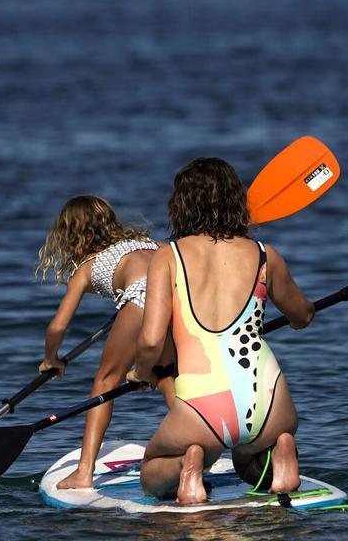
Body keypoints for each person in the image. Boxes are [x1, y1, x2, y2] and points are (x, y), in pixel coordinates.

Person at [129, 158, 316, 503]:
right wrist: (305, 311)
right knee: (249, 465)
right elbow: (302, 316)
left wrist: (140, 372)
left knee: (152, 474)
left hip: (203, 406)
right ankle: (280, 453)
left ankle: (189, 461)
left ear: (181, 205)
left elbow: (152, 339)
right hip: (270, 399)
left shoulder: (168, 257)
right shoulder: (264, 255)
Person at [35, 195, 174, 490]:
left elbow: (58, 325)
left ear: (68, 235)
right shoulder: (150, 243)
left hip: (143, 296)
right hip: (179, 296)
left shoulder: (86, 266)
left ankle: (84, 472)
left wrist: (51, 358)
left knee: (105, 381)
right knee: (167, 375)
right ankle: (197, 438)